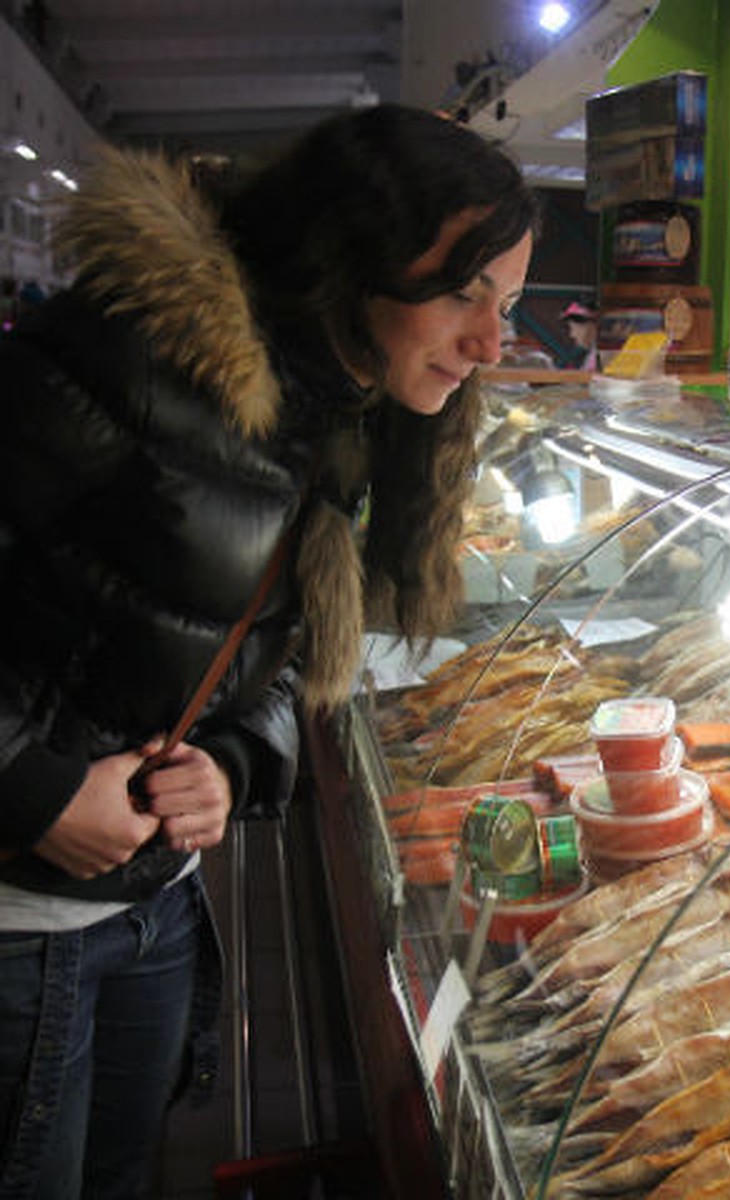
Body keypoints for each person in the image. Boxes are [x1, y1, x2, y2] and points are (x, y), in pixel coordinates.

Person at [0, 105, 537, 1198]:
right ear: (354, 260)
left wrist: (234, 763)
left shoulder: (339, 416)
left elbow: (283, 653)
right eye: (463, 292)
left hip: (154, 905)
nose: (492, 345)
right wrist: (33, 788)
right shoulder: (123, 359)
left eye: (510, 305)